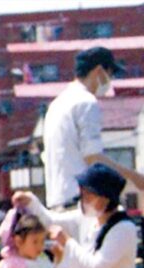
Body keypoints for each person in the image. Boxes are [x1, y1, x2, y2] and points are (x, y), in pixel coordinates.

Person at [13, 163, 139, 268]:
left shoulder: (123, 229)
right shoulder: (87, 217)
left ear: (104, 199)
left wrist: (67, 242)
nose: (83, 200)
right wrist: (31, 202)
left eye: (88, 196)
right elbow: (51, 221)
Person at [42, 46, 144, 209]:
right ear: (99, 71)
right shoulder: (86, 102)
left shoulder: (57, 104)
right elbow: (93, 157)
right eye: (110, 74)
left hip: (58, 200)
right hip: (82, 200)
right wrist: (134, 177)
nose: (109, 81)